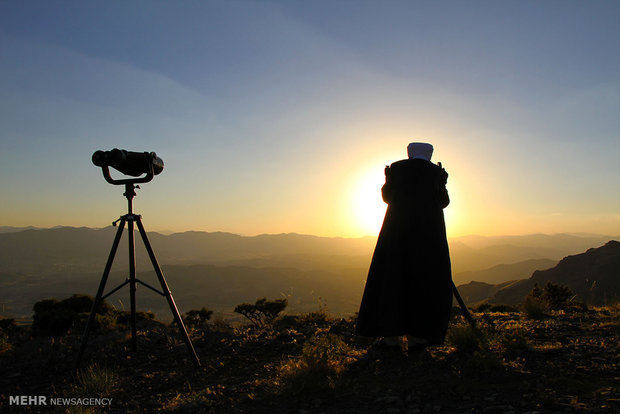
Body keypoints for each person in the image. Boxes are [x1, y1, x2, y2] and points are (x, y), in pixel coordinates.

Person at [355, 142, 453, 350]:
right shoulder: (436, 172)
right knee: (425, 279)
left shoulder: (396, 169)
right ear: (429, 154)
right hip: (429, 233)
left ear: (409, 153)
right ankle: (419, 336)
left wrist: (388, 178)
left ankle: (391, 336)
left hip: (396, 231)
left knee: (393, 277)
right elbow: (443, 202)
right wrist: (442, 182)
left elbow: (387, 197)